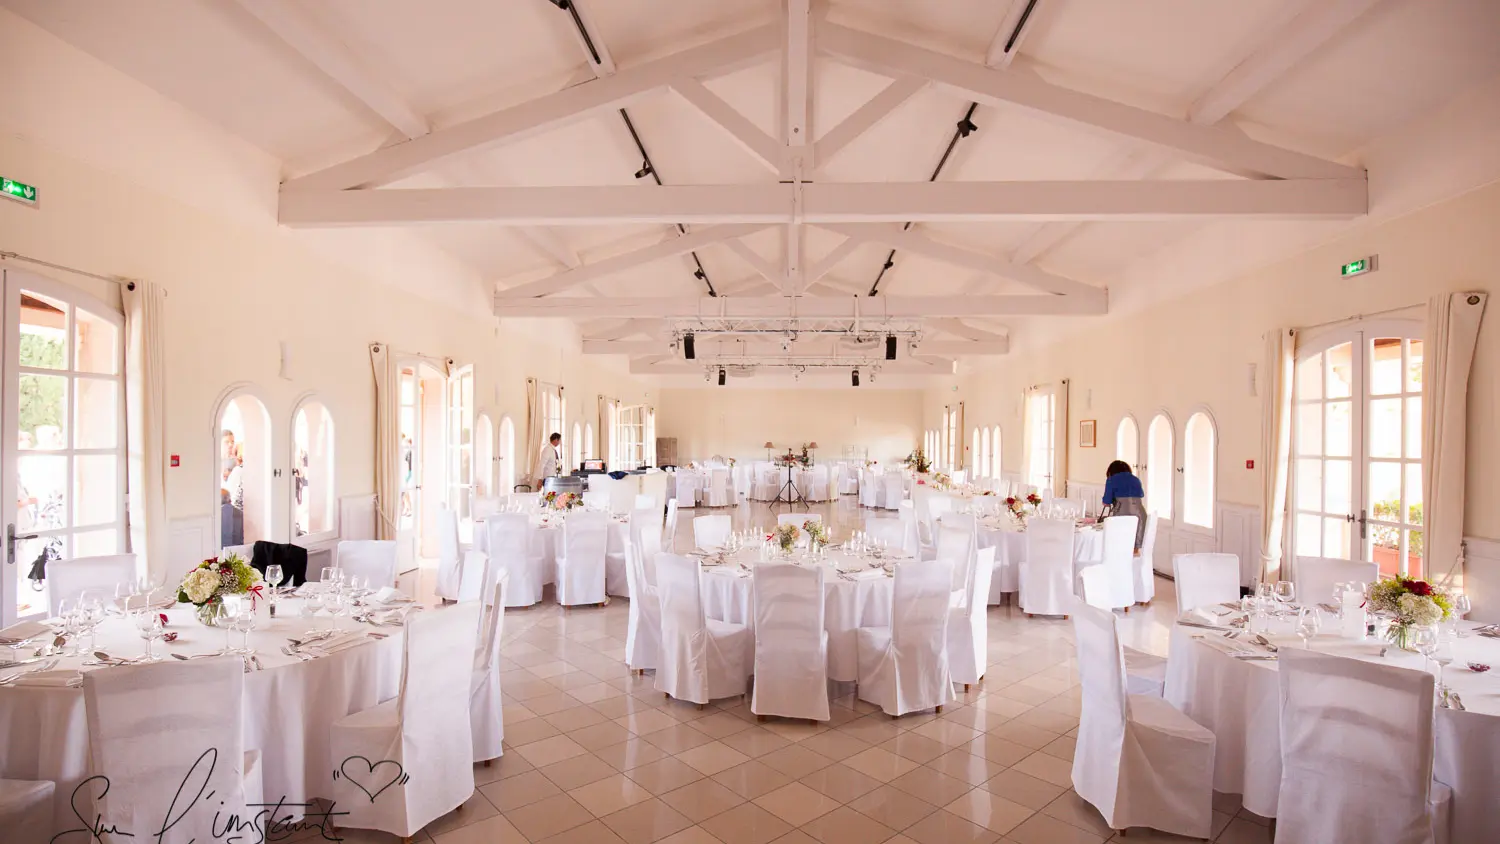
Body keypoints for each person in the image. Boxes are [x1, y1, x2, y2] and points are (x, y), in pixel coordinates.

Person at [1102, 460, 1147, 551]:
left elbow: (1106, 501)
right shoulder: (1135, 479)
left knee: (1120, 543)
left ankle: (1120, 563)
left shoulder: (1111, 480)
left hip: (1122, 513)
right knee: (1134, 546)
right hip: (1139, 513)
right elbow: (1141, 494)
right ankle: (1134, 558)